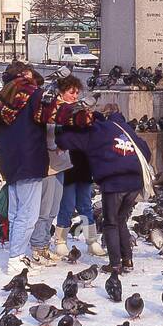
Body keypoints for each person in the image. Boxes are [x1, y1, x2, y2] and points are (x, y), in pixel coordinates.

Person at [56, 105, 151, 273]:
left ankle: (115, 264)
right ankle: (127, 260)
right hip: (135, 182)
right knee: (121, 220)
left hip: (115, 182)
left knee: (111, 223)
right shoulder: (124, 128)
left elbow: (67, 141)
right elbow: (146, 151)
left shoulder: (97, 131)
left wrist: (63, 134)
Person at [0, 61, 49, 276]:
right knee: (27, 215)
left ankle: (18, 254)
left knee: (15, 213)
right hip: (30, 161)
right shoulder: (33, 97)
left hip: (10, 163)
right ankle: (15, 259)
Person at [51, 76, 105, 258]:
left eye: (77, 92)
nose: (75, 96)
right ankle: (60, 241)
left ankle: (91, 241)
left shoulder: (83, 111)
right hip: (65, 163)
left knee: (85, 204)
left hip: (83, 162)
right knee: (66, 205)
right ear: (61, 92)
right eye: (71, 92)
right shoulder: (56, 112)